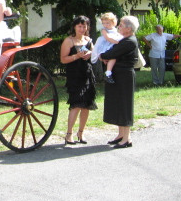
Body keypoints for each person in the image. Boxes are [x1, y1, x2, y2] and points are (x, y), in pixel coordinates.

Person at [99, 15, 140, 148]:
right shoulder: (125, 39)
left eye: (121, 25)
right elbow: (112, 52)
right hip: (118, 74)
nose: (118, 27)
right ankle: (121, 134)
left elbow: (111, 53)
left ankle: (126, 138)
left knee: (124, 105)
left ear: (128, 28)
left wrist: (101, 56)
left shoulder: (129, 41)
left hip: (124, 76)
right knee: (118, 104)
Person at [60, 15, 95, 145]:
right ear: (74, 27)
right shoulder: (69, 41)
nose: (82, 28)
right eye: (79, 26)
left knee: (86, 106)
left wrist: (91, 53)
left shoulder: (89, 40)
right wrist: (76, 56)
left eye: (84, 26)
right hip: (74, 76)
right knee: (76, 105)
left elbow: (95, 54)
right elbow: (63, 59)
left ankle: (81, 132)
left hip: (87, 74)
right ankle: (69, 134)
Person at [92, 12, 122, 84]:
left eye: (107, 23)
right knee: (111, 56)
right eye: (104, 23)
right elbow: (107, 38)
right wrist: (118, 43)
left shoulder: (115, 30)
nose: (105, 25)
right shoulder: (104, 30)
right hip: (105, 44)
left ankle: (108, 71)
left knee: (113, 58)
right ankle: (108, 73)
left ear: (113, 22)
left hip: (112, 44)